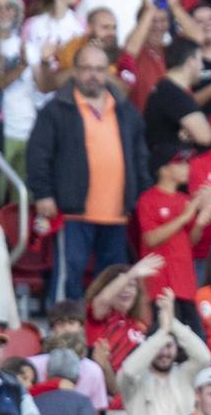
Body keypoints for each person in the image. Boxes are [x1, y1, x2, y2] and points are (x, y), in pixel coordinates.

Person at [27, 42, 149, 302]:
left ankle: (109, 335)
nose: (93, 75)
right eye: (86, 68)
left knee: (114, 280)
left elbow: (140, 157)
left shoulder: (126, 110)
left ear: (109, 72)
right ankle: (64, 332)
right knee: (68, 277)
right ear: (74, 71)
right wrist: (43, 194)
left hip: (117, 212)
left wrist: (141, 195)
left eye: (99, 69)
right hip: (73, 211)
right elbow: (37, 155)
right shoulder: (56, 108)